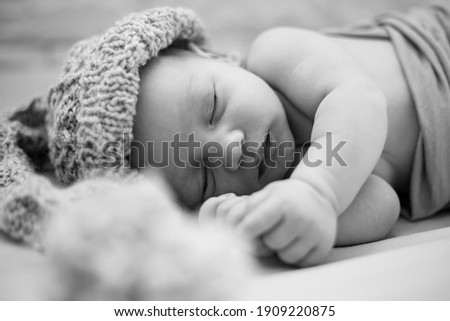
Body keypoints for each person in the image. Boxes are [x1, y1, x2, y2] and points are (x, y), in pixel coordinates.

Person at [1, 6, 449, 267]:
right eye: (203, 178)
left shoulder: (277, 54)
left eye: (213, 106)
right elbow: (383, 204)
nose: (229, 150)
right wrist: (269, 223)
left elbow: (358, 99)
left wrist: (318, 191)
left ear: (212, 56)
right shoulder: (287, 183)